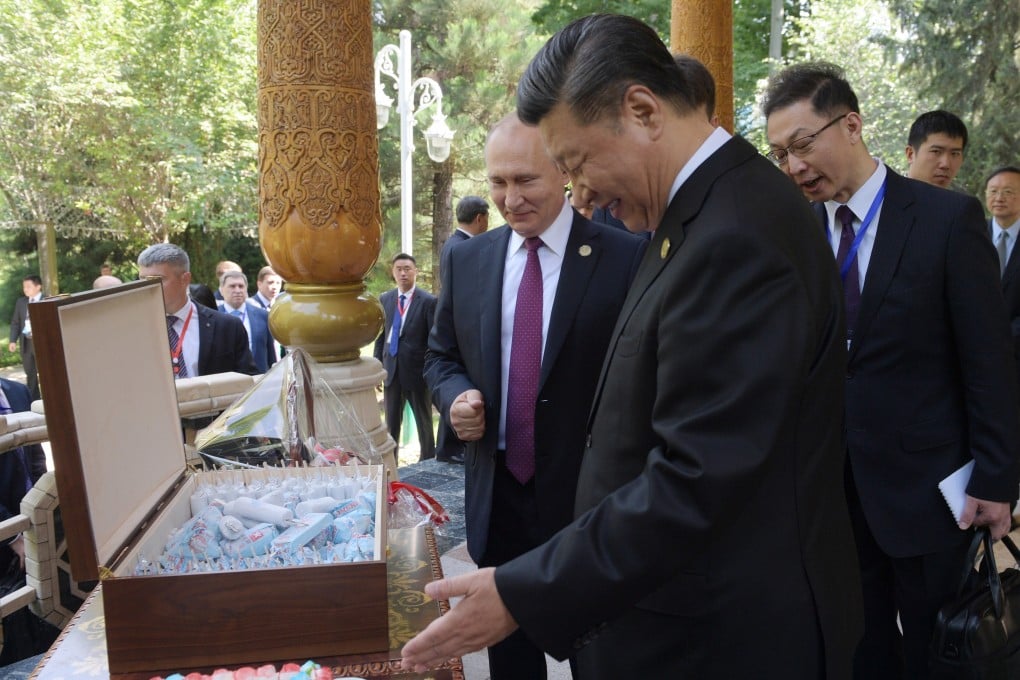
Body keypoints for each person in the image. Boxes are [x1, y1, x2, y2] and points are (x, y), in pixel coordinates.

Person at [403, 15, 864, 679]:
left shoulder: (737, 234)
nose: (580, 191)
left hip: (719, 640)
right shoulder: (695, 216)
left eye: (577, 162)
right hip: (668, 618)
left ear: (642, 110)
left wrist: (524, 592)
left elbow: (696, 477)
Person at [763, 62, 1019, 679]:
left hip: (929, 491)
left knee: (941, 648)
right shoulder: (793, 230)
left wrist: (997, 478)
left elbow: (988, 362)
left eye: (802, 145)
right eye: (780, 154)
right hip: (831, 493)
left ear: (851, 125)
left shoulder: (944, 219)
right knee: (858, 645)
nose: (794, 166)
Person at [424, 111, 645, 679]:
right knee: (510, 655)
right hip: (498, 496)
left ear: (565, 173)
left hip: (588, 500)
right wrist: (456, 398)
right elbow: (440, 356)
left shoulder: (624, 258)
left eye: (526, 181)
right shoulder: (468, 258)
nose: (510, 198)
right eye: (498, 182)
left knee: (602, 650)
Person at [0, 377, 57, 664]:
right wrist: (13, 535)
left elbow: (36, 458)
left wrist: (41, 511)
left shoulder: (17, 391)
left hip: (33, 520)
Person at [137, 244, 257, 377]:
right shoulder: (134, 329)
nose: (148, 288)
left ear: (185, 279)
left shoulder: (227, 327)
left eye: (157, 280)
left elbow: (248, 381)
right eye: (143, 280)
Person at [433, 196, 490, 465]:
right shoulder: (463, 248)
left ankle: (449, 446)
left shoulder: (452, 244)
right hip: (461, 323)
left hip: (454, 321)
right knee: (459, 390)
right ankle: (449, 447)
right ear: (480, 218)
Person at [373, 254, 437, 463]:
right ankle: (392, 462)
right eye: (399, 269)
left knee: (424, 422)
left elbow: (433, 341)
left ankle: (428, 460)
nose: (403, 273)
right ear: (393, 272)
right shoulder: (386, 299)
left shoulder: (428, 301)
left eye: (407, 268)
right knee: (391, 422)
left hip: (417, 372)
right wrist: (377, 367)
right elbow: (382, 336)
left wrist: (429, 370)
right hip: (391, 369)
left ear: (415, 271)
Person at [986, 166, 1020, 392]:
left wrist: (1004, 338)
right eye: (993, 191)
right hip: (974, 356)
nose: (999, 198)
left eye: (1008, 192)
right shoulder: (970, 233)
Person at [218, 270, 276, 374]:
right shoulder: (213, 317)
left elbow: (271, 354)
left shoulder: (262, 315)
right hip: (225, 381)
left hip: (258, 379)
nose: (237, 290)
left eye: (241, 286)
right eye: (232, 286)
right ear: (221, 290)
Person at [904, 109, 968, 189]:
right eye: (936, 151)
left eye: (954, 154)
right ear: (910, 154)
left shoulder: (961, 201)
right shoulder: (887, 197)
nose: (945, 164)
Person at [8, 275, 43, 401]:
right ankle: (34, 402)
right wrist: (12, 340)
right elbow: (15, 323)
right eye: (24, 287)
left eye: (29, 286)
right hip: (27, 343)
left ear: (38, 286)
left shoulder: (47, 300)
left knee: (46, 373)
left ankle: (52, 400)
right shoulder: (21, 302)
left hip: (42, 343)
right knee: (31, 375)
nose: (25, 289)